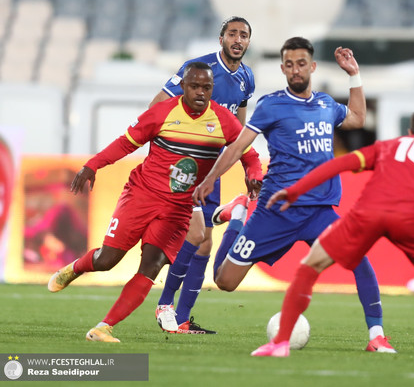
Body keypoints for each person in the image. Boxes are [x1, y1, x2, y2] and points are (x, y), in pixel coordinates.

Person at [250, 105, 414, 362]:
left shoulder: (388, 146)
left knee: (311, 265)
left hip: (368, 212)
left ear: (409, 131)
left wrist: (296, 190)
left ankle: (280, 343)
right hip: (411, 218)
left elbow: (341, 163)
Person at [193, 36, 395, 353]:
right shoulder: (271, 105)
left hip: (318, 210)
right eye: (289, 64)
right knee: (225, 281)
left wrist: (354, 76)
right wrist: (210, 179)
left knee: (358, 258)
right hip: (276, 210)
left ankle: (377, 336)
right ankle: (239, 214)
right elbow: (237, 147)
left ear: (312, 66)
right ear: (284, 68)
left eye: (301, 63)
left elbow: (356, 118)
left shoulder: (327, 104)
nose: (296, 70)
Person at [47, 62, 262, 343]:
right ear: (183, 87)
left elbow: (249, 154)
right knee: (107, 260)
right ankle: (74, 268)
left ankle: (103, 327)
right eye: (194, 86)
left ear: (212, 89)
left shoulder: (222, 120)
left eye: (206, 88)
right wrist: (92, 165)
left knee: (152, 266)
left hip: (178, 208)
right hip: (141, 195)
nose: (200, 92)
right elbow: (126, 143)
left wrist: (254, 174)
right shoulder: (162, 112)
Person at [149, 16, 257, 334]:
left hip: (211, 171)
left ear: (249, 42)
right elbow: (157, 106)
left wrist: (245, 166)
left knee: (205, 243)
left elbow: (237, 133)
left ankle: (181, 319)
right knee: (195, 237)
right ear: (221, 38)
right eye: (232, 33)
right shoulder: (197, 69)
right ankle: (165, 304)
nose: (238, 39)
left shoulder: (246, 79)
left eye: (244, 35)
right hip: (183, 167)